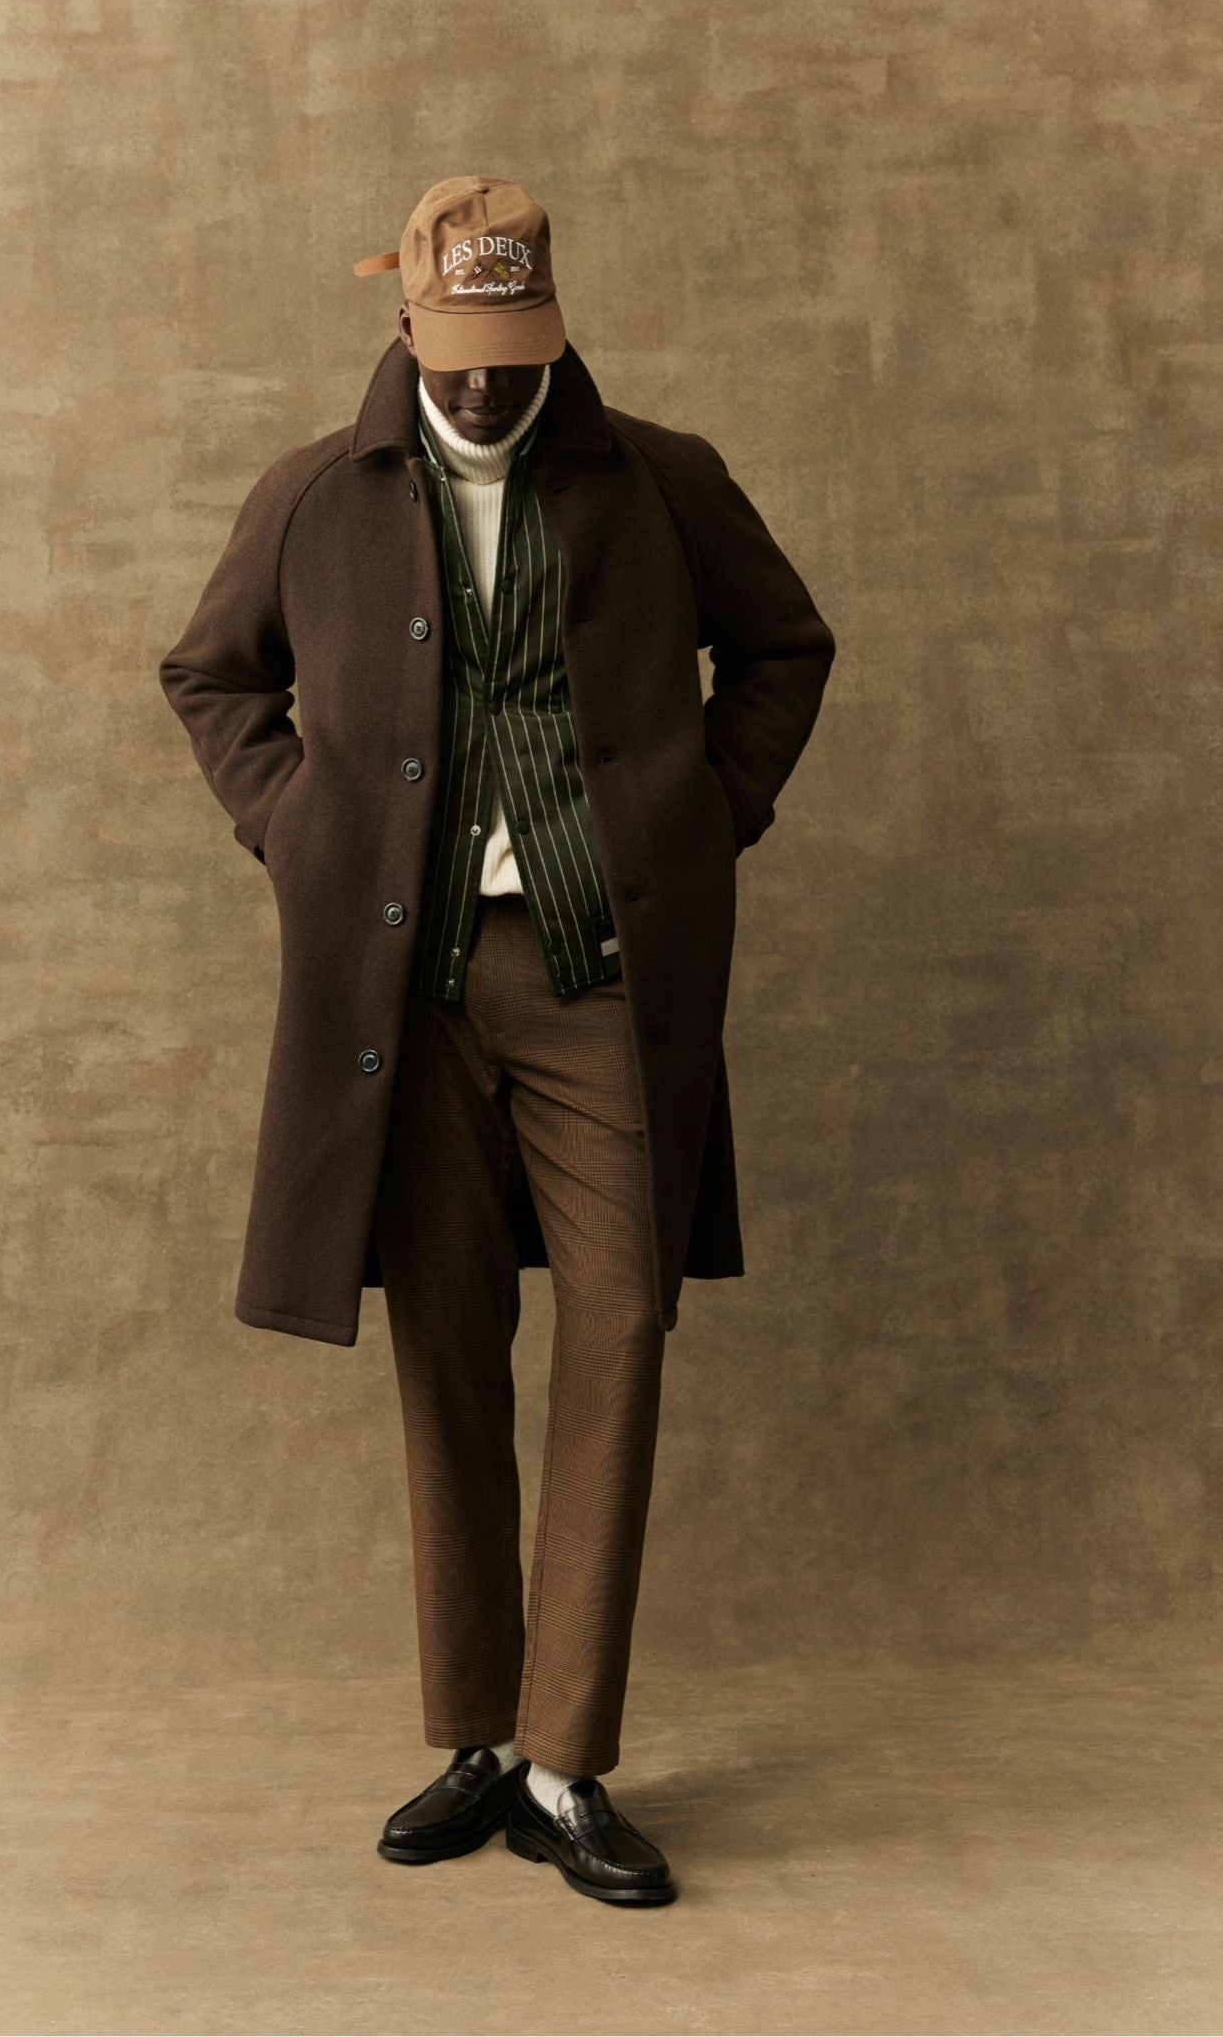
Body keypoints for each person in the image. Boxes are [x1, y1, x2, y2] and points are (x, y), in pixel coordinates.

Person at [159, 175, 836, 1908]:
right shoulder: (313, 494)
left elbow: (782, 647)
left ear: (553, 330)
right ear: (404, 324)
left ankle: (562, 1761)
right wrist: (297, 829)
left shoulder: (662, 479)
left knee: (619, 1329)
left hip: (601, 974)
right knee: (448, 1345)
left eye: (514, 351)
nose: (481, 384)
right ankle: (473, 1733)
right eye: (455, 351)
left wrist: (704, 816)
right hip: (405, 995)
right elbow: (212, 677)